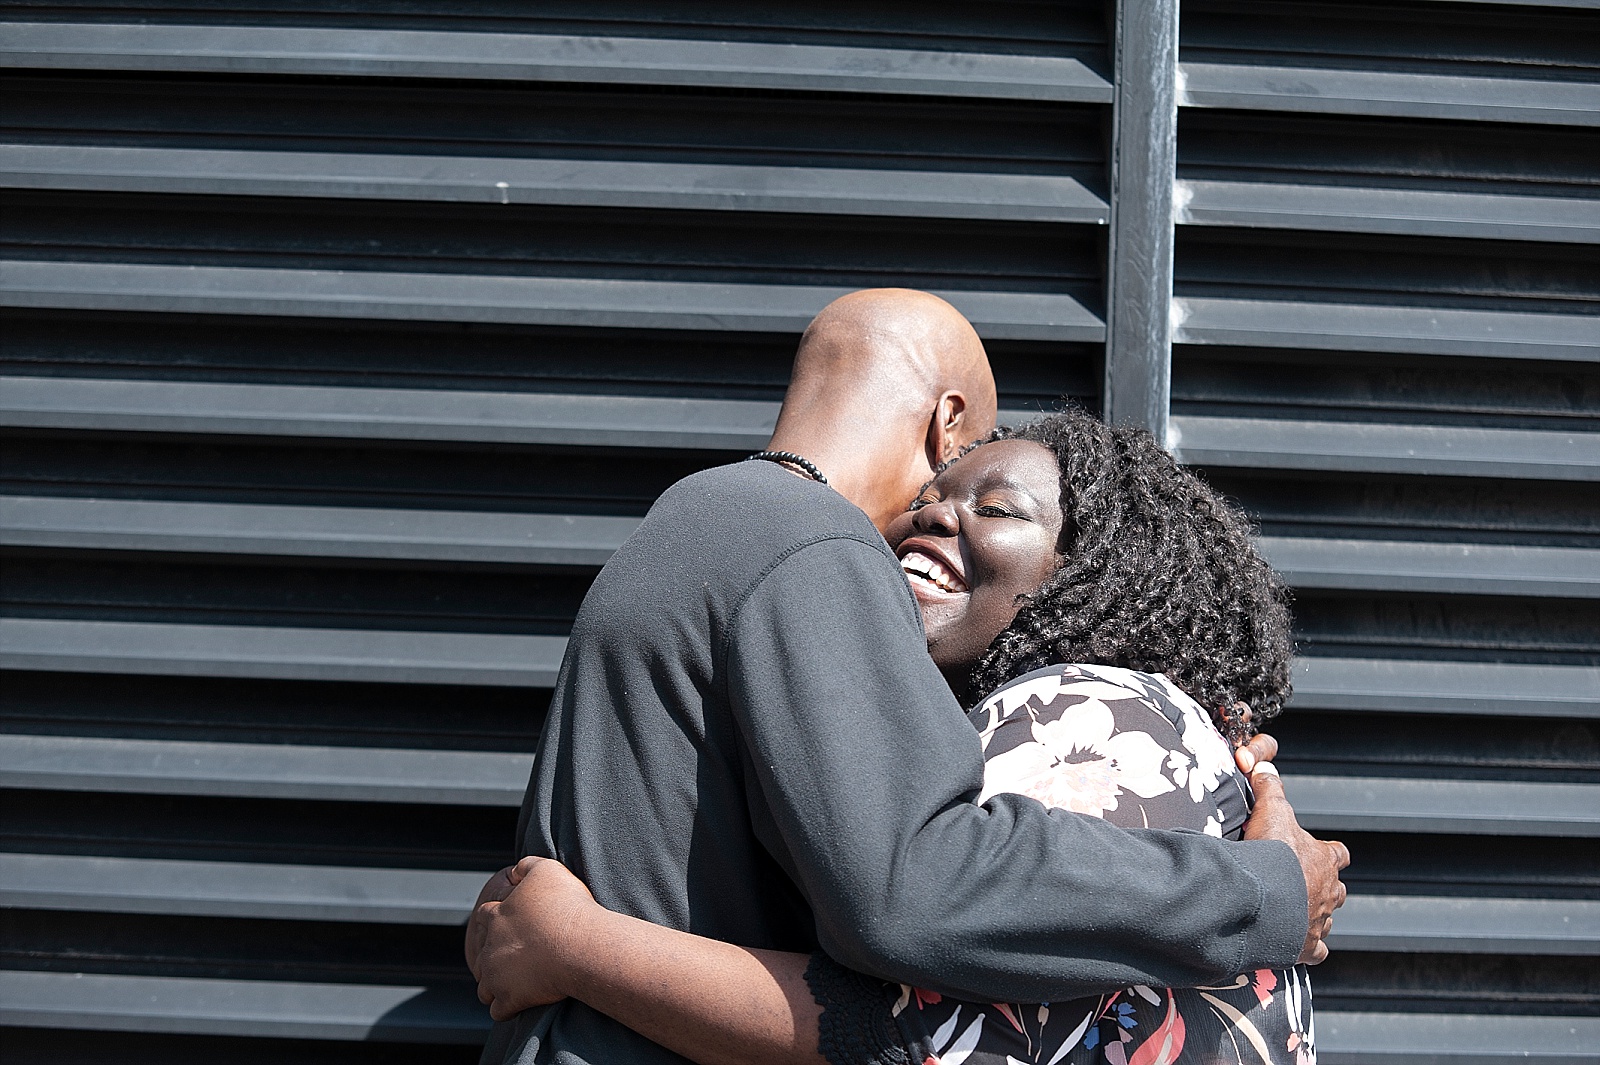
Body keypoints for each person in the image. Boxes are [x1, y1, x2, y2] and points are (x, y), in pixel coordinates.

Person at [468, 289, 1347, 1065]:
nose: (926, 524)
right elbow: (917, 890)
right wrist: (1267, 888)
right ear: (947, 425)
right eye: (937, 495)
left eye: (991, 505)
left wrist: (575, 944)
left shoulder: (695, 524)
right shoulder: (811, 543)